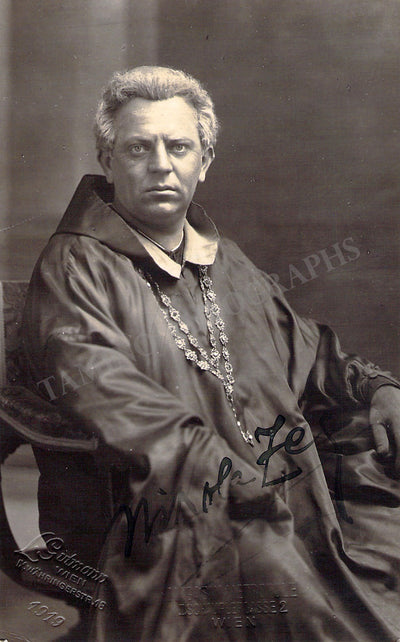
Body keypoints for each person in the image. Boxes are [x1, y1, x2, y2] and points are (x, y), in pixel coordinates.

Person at [22, 66, 400, 641]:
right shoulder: (77, 266)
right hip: (164, 507)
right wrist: (223, 472)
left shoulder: (227, 261)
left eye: (178, 147)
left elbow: (310, 352)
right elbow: (108, 393)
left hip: (283, 484)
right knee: (297, 592)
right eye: (138, 148)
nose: (161, 164)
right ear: (108, 161)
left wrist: (376, 389)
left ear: (204, 161)